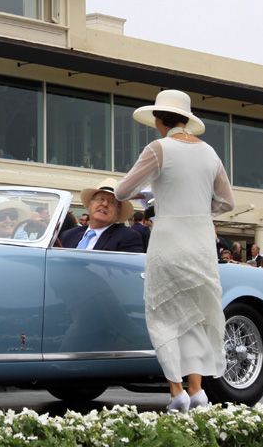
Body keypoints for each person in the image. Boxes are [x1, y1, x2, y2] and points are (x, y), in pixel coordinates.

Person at [113, 90, 235, 412]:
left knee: (163, 315)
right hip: (201, 242)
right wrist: (195, 207)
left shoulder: (159, 148)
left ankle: (177, 391)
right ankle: (197, 391)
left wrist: (150, 197)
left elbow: (122, 190)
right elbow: (226, 202)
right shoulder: (209, 153)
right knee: (193, 318)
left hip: (169, 240)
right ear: (186, 119)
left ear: (158, 119)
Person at [58, 178, 139, 251]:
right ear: (90, 206)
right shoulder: (68, 235)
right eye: (101, 199)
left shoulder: (127, 237)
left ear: (118, 214)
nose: (104, 204)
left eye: (111, 202)